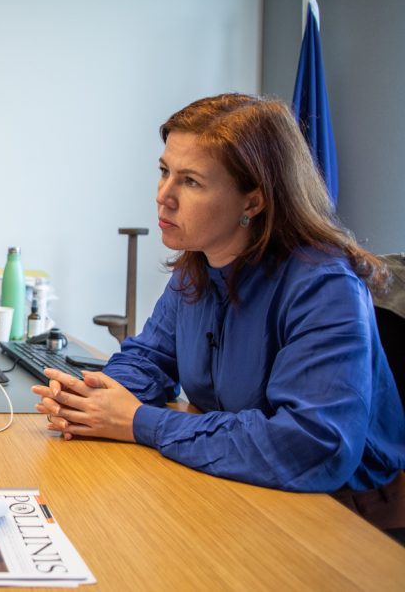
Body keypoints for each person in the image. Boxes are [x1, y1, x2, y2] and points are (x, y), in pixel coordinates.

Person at [34, 93, 405, 531]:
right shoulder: (199, 264)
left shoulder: (323, 286)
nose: (163, 197)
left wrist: (138, 421)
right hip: (241, 479)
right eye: (164, 172)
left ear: (253, 202)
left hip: (341, 511)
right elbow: (150, 356)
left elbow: (312, 445)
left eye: (190, 181)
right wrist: (92, 398)